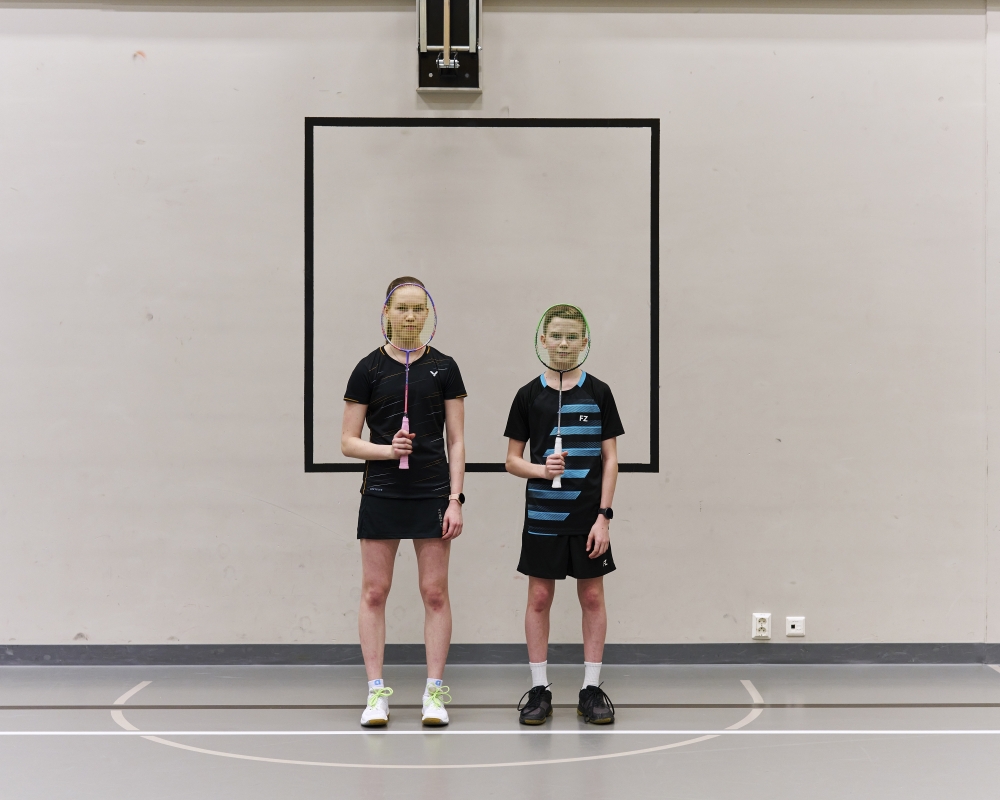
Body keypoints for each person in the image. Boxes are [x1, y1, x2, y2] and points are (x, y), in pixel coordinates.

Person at [341, 277, 467, 728]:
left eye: (419, 309)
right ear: (387, 313)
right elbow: (348, 442)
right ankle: (376, 695)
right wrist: (388, 451)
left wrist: (455, 499)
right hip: (381, 492)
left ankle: (434, 693)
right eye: (402, 309)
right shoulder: (367, 369)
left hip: (432, 493)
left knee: (434, 593)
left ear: (427, 315)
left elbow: (456, 441)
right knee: (375, 592)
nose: (411, 317)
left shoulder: (446, 368)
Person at [503, 304, 624, 725]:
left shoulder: (600, 392)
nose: (564, 343)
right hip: (543, 519)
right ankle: (540, 689)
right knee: (539, 598)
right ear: (542, 339)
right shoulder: (527, 395)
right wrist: (542, 470)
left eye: (573, 336)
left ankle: (591, 689)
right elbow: (512, 461)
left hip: (588, 518)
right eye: (556, 335)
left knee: (592, 597)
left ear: (585, 342)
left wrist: (604, 516)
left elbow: (611, 460)